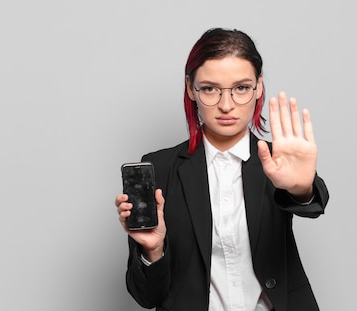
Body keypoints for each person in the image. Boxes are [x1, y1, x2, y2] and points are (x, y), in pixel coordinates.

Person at [115, 27, 329, 311]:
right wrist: (153, 250)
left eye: (241, 88)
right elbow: (146, 297)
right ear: (191, 88)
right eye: (209, 89)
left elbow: (312, 203)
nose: (226, 105)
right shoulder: (161, 168)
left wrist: (301, 189)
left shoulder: (277, 161)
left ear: (259, 87)